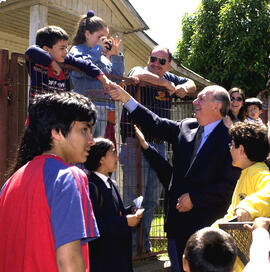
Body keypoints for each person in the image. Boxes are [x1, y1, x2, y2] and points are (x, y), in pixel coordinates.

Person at [109, 83, 241, 272]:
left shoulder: (231, 139)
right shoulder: (187, 126)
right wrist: (126, 100)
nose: (195, 101)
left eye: (201, 98)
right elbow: (156, 123)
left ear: (216, 106)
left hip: (208, 230)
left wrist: (195, 199)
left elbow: (227, 186)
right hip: (177, 226)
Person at [0, 92, 99, 271]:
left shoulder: (10, 182)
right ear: (57, 132)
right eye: (84, 129)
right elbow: (69, 263)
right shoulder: (69, 177)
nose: (91, 140)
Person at [120, 45, 197, 254]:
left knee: (153, 198)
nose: (155, 64)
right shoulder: (141, 71)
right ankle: (129, 248)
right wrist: (167, 83)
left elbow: (191, 85)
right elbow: (137, 74)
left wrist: (181, 88)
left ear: (168, 64)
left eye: (161, 61)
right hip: (134, 143)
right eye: (153, 59)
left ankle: (143, 245)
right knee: (134, 197)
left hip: (158, 145)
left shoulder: (171, 76)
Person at [213, 121, 270, 271]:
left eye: (232, 145)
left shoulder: (258, 171)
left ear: (242, 149)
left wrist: (248, 206)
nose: (230, 149)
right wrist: (211, 232)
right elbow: (232, 214)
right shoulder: (246, 173)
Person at [84, 137, 143, 272]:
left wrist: (130, 211)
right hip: (103, 260)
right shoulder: (90, 186)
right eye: (113, 153)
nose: (117, 158)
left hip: (120, 258)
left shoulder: (112, 183)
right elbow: (95, 225)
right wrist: (125, 222)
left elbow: (115, 214)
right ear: (101, 159)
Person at [69, 10, 124, 138]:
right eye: (100, 37)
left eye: (106, 38)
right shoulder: (77, 50)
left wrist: (116, 56)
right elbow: (81, 67)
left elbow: (116, 78)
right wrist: (98, 49)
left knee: (97, 150)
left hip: (104, 109)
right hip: (85, 108)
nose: (104, 41)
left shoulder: (103, 57)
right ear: (87, 34)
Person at [25, 25, 111, 98]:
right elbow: (31, 49)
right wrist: (53, 63)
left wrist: (102, 78)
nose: (66, 51)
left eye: (66, 48)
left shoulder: (66, 60)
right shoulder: (36, 62)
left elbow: (86, 64)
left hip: (59, 114)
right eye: (62, 48)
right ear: (46, 49)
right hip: (39, 114)